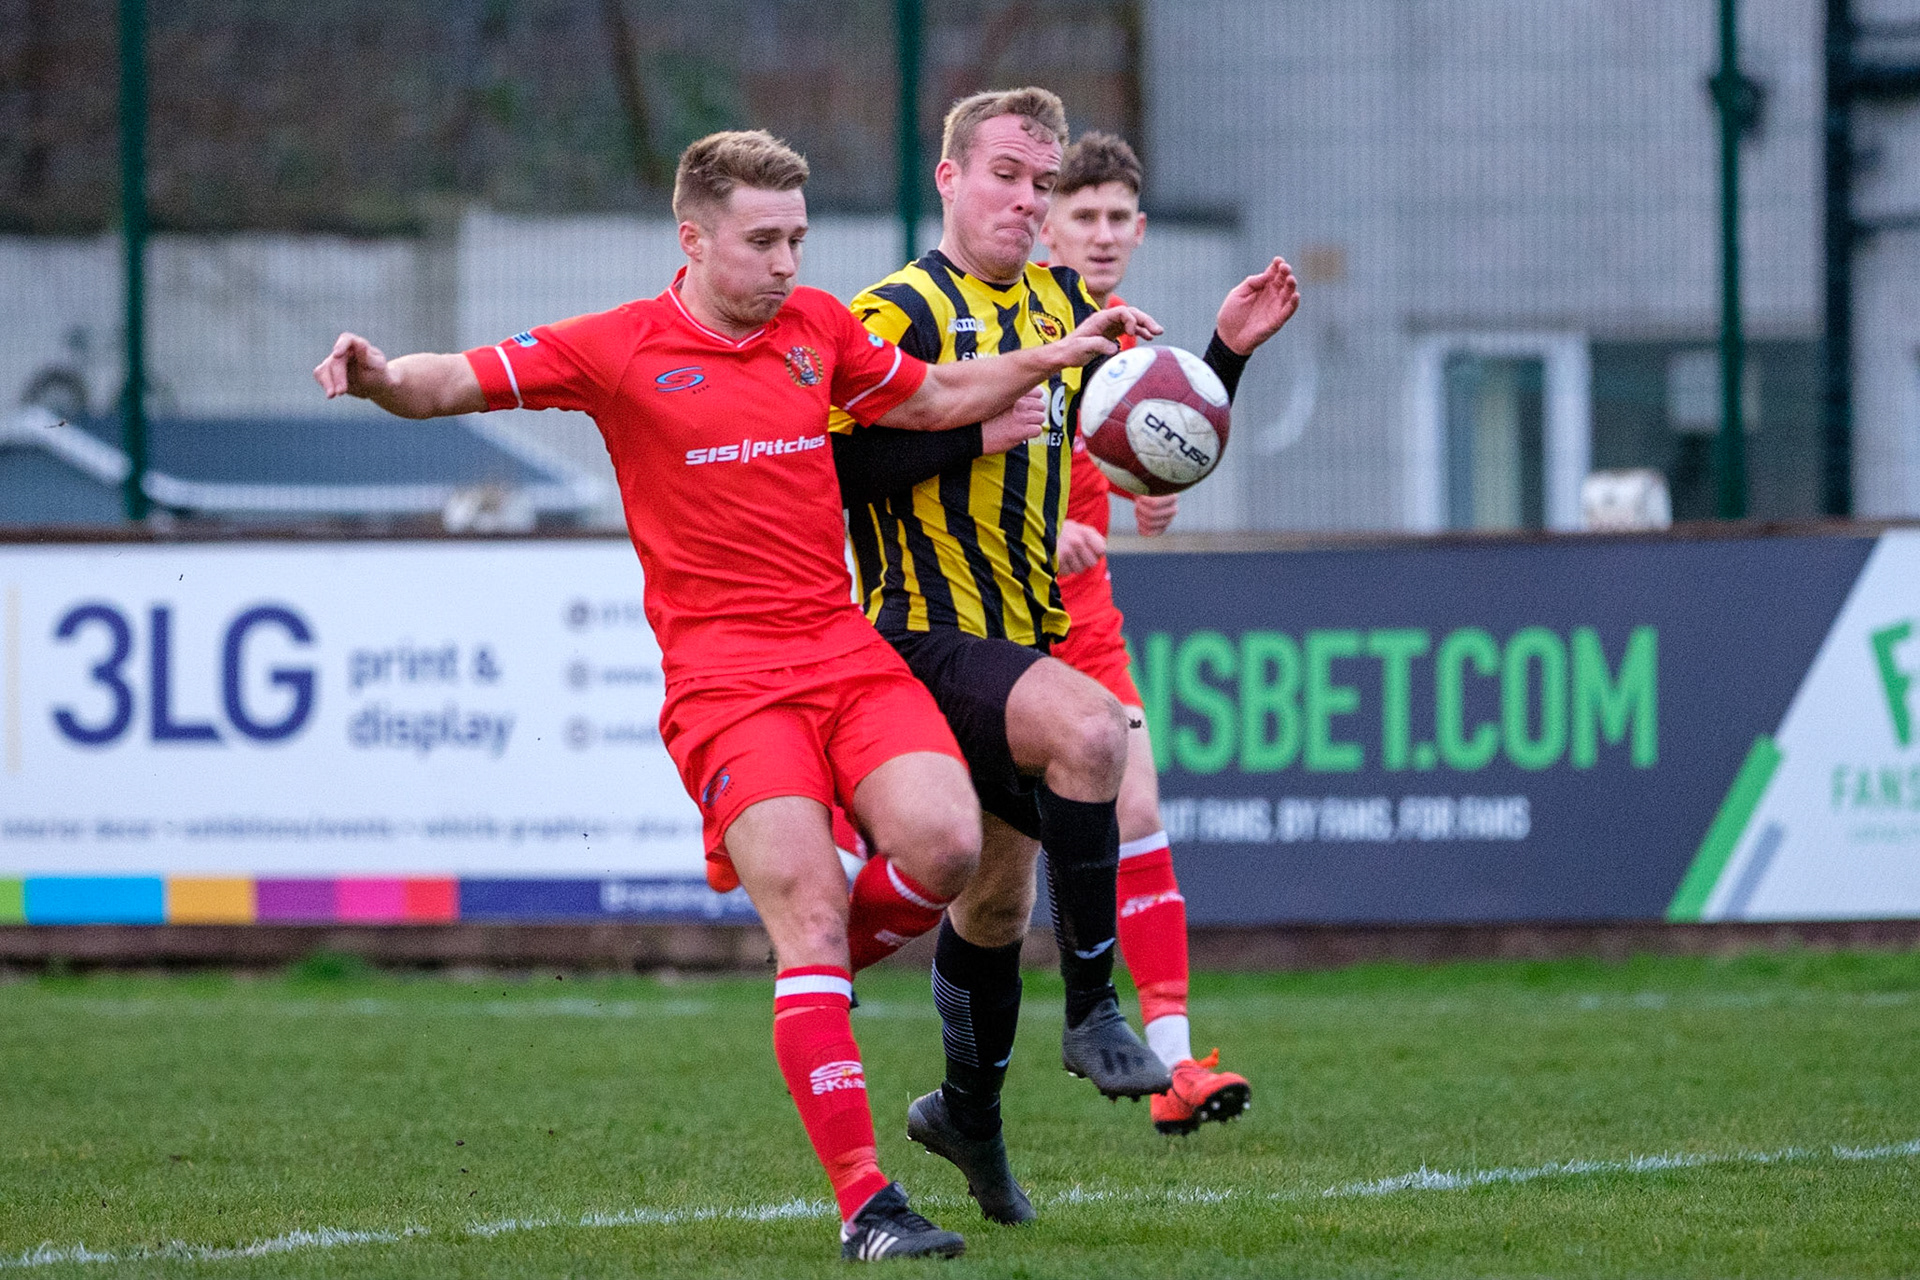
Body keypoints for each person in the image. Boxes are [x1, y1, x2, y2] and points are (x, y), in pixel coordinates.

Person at [312, 129, 1151, 1263]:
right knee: (807, 909)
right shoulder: (617, 348)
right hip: (726, 690)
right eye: (763, 242)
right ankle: (869, 1199)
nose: (787, 264)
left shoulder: (818, 329)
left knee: (951, 844)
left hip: (846, 654)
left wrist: (1056, 357)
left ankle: (812, 976)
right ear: (694, 238)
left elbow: (939, 392)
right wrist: (377, 377)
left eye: (798, 239)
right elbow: (455, 379)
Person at [830, 99, 1295, 1223]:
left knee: (994, 901)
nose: (1026, 201)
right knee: (1096, 730)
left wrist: (1222, 352)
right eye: (1006, 176)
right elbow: (828, 479)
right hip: (920, 635)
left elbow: (1149, 432)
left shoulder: (1061, 305)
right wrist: (966, 434)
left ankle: (965, 1119)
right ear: (949, 177)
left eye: (1040, 182)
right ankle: (1095, 1012)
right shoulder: (894, 311)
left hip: (1019, 639)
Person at [1040, 131, 1297, 1135]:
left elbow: (1153, 432)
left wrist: (1224, 354)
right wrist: (1047, 525)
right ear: (1044, 221)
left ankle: (1178, 1063)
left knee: (1138, 809)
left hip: (1085, 618)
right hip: (988, 615)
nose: (1101, 234)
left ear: (1139, 230)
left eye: (1117, 219)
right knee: (965, 863)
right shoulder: (1019, 320)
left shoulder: (1128, 337)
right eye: (1082, 216)